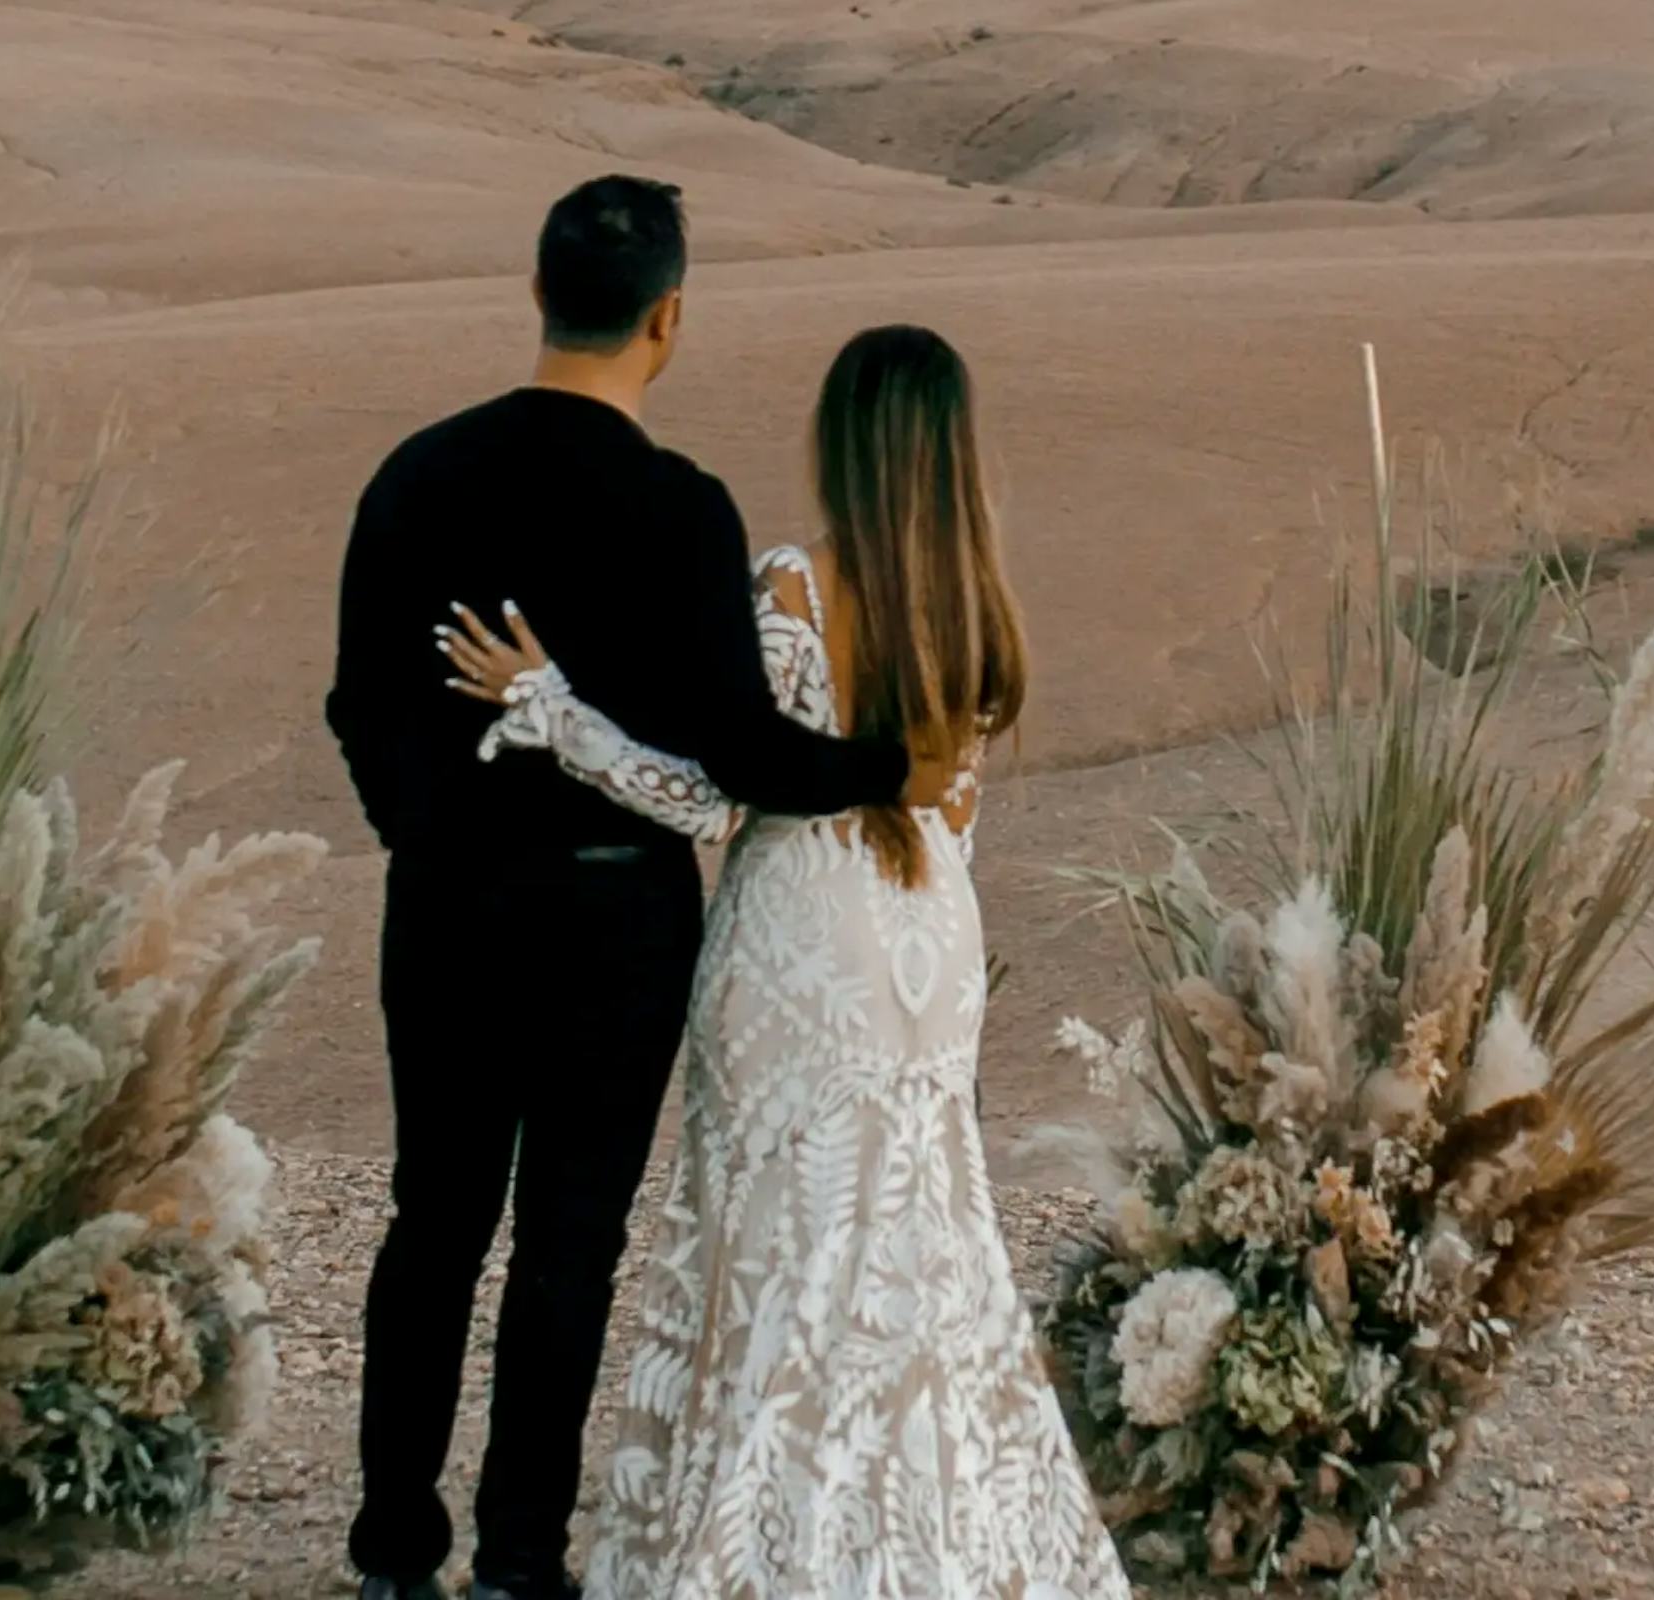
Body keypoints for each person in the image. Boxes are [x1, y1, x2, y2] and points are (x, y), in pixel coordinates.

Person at [327, 177, 955, 1600]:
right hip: (617, 924)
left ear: (536, 292)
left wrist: (422, 830)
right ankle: (520, 1562)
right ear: (668, 319)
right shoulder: (680, 511)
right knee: (567, 1241)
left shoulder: (415, 476)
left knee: (433, 1223)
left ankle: (390, 1556)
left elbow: (357, 705)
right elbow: (740, 754)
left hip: (444, 907)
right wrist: (886, 768)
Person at [432, 323, 1130, 1599]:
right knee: (923, 1244)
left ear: (844, 440)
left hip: (805, 939)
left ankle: (768, 1545)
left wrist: (553, 711)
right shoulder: (979, 605)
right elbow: (954, 814)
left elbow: (711, 797)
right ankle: (939, 1540)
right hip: (929, 944)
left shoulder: (796, 585)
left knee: (781, 1244)